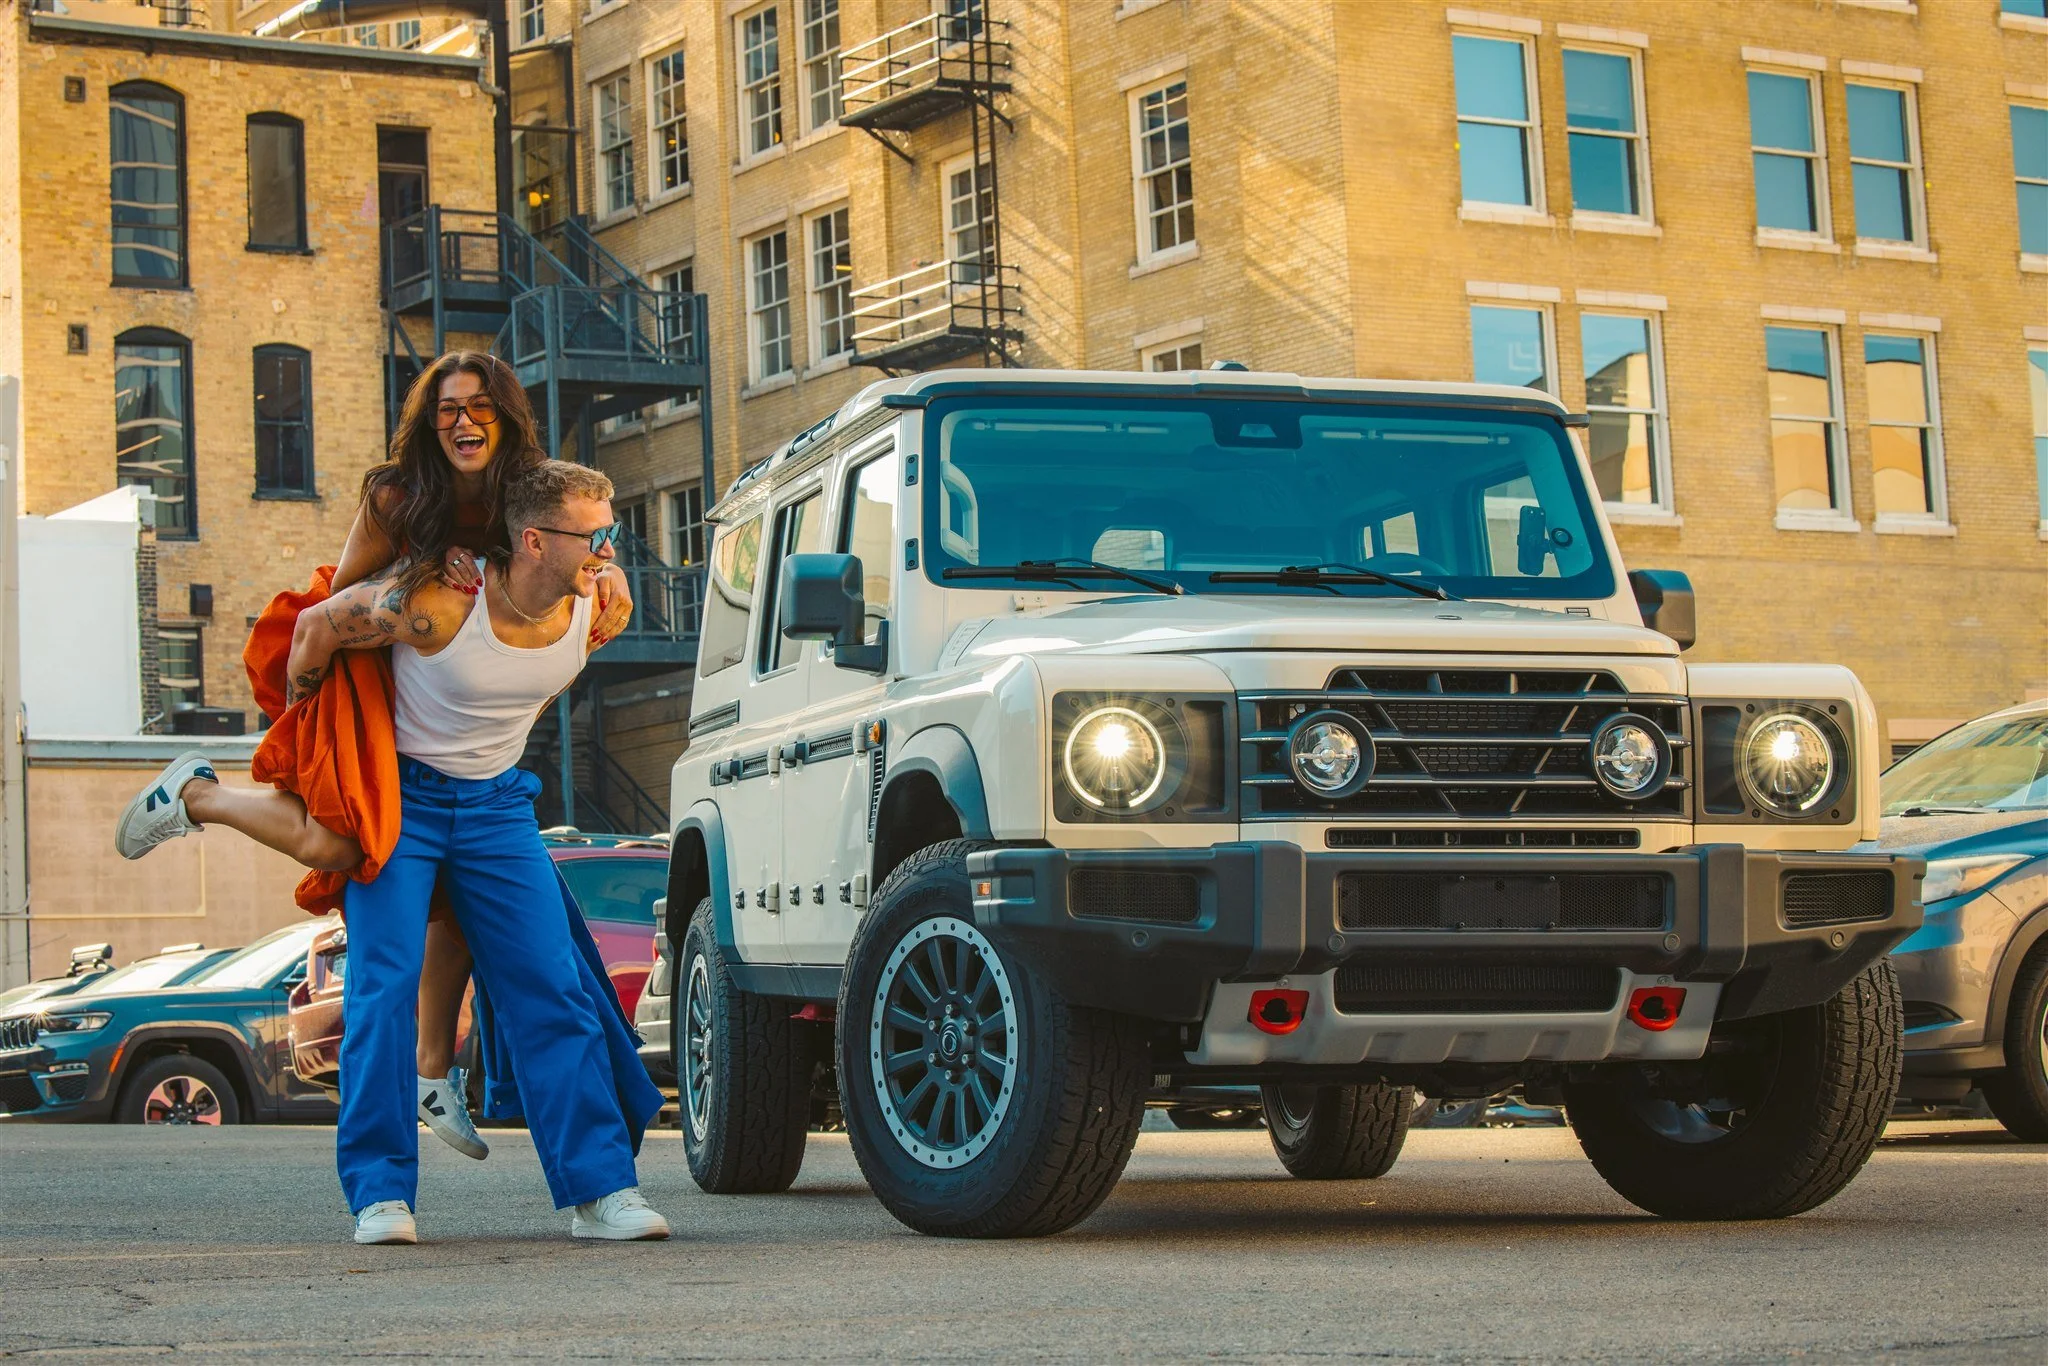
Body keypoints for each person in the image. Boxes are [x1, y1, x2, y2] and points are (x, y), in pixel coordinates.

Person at [112, 353, 632, 1162]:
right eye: (447, 409)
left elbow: (571, 544)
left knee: (465, 909)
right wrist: (417, 575)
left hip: (468, 729)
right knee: (344, 845)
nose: (463, 422)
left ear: (507, 418)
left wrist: (603, 571)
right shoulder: (399, 493)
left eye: (480, 408)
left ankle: (434, 1071)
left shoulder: (530, 491)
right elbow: (332, 606)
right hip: (375, 662)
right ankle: (202, 798)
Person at [285, 459, 667, 1244]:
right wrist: (310, 736)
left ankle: (601, 1192)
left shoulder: (599, 601)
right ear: (533, 539)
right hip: (405, 802)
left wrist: (603, 565)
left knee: (552, 990)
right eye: (595, 533)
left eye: (612, 530)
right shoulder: (436, 601)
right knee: (381, 992)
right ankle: (381, 1196)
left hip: (497, 807)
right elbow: (314, 630)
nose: (609, 547)